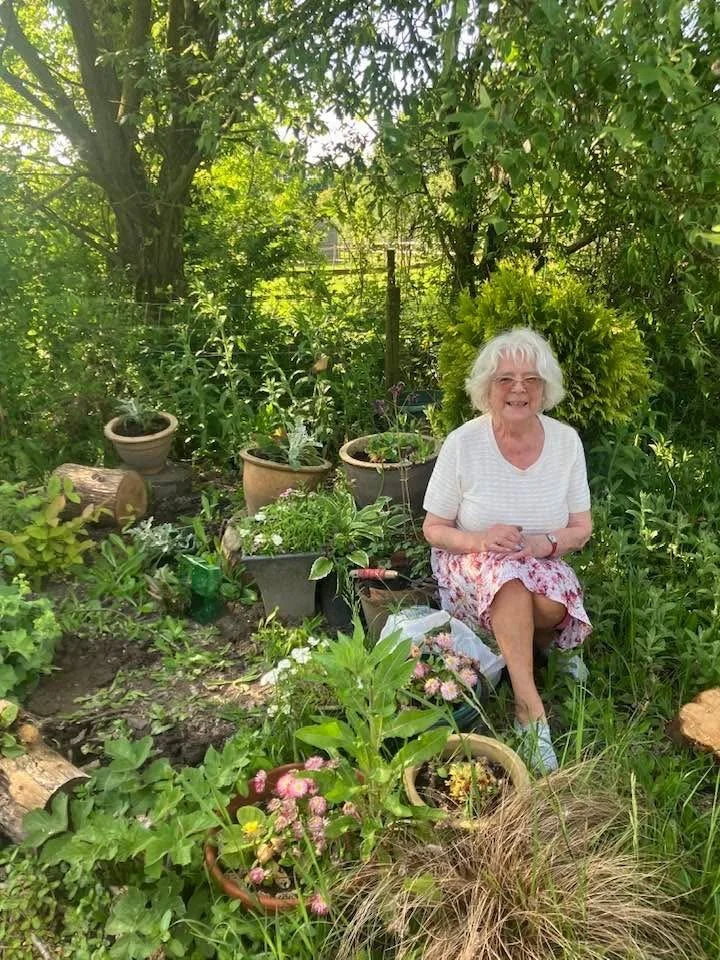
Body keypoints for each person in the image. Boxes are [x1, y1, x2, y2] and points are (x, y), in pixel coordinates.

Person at [422, 328, 592, 774]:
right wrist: (480, 539)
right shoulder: (463, 443)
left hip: (540, 561)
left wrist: (545, 543)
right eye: (506, 380)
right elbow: (433, 528)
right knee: (507, 580)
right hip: (469, 563)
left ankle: (534, 641)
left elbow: (582, 528)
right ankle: (528, 710)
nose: (519, 388)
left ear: (544, 389)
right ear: (486, 389)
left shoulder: (566, 442)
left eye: (531, 379)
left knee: (551, 605)